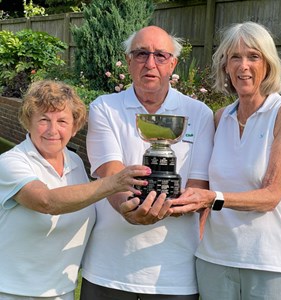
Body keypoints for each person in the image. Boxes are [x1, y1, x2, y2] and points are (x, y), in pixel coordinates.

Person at [80, 26, 214, 299]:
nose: (150, 63)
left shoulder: (199, 114)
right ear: (128, 61)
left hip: (174, 272)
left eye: (160, 55)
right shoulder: (104, 107)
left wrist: (169, 206)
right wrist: (127, 209)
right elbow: (110, 173)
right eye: (141, 54)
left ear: (173, 63)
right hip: (109, 268)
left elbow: (197, 185)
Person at [170, 21, 281, 299]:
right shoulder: (219, 118)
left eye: (253, 56)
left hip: (269, 262)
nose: (244, 66)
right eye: (235, 57)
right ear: (225, 66)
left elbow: (271, 196)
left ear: (267, 64)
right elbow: (207, 183)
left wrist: (210, 198)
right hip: (214, 260)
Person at [0, 80, 152, 300]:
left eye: (62, 121)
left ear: (74, 128)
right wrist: (114, 182)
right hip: (11, 291)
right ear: (28, 122)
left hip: (62, 291)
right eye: (44, 120)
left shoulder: (76, 163)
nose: (53, 130)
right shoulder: (10, 162)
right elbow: (46, 201)